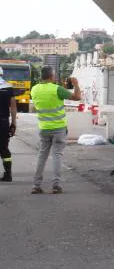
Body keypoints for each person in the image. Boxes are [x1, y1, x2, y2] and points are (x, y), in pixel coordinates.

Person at [30, 66, 81, 194]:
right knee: (57, 156)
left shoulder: (34, 89)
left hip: (43, 128)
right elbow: (77, 97)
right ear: (51, 76)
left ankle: (36, 185)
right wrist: (76, 84)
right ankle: (56, 185)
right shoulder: (57, 89)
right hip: (58, 129)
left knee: (42, 156)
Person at [0, 68, 17, 182]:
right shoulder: (8, 87)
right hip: (3, 121)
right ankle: (8, 174)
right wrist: (14, 123)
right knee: (4, 149)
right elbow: (13, 107)